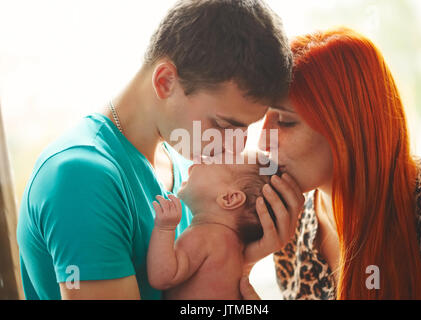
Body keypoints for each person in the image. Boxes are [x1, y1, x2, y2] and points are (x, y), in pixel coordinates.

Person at [16, 0, 304, 300]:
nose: (238, 146)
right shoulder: (81, 178)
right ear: (165, 82)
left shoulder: (184, 166)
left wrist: (241, 256)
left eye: (247, 129)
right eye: (225, 125)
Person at [240, 27, 421, 300]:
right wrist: (245, 263)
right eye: (264, 118)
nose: (263, 142)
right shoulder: (292, 220)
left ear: (347, 129)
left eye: (286, 122)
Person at [147, 151, 279, 299]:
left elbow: (163, 277)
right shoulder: (234, 249)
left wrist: (165, 228)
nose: (199, 159)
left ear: (229, 198)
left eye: (211, 161)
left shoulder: (205, 236)